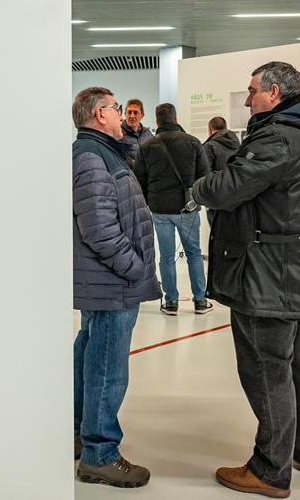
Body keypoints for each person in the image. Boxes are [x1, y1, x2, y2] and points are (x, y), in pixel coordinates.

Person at [193, 62, 300, 498]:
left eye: (253, 90)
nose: (248, 98)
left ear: (274, 93)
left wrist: (198, 189)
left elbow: (230, 188)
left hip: (272, 274)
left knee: (265, 365)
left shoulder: (278, 137)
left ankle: (269, 469)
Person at [71, 87, 160, 488]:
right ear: (98, 115)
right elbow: (100, 229)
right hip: (112, 281)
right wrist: (134, 268)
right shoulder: (92, 157)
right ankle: (99, 454)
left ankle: (80, 433)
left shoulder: (102, 152)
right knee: (107, 368)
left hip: (108, 281)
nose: (121, 114)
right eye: (115, 108)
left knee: (91, 356)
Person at [135, 103, 212, 315]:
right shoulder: (193, 143)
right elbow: (204, 176)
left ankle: (171, 302)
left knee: (166, 257)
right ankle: (200, 301)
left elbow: (139, 180)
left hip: (159, 209)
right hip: (187, 208)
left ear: (157, 121)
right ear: (175, 119)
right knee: (194, 254)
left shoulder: (147, 147)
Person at [203, 116, 241, 226]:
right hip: (236, 196)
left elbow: (206, 175)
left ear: (209, 130)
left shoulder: (209, 146)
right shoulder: (238, 145)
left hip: (216, 198)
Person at [120, 98, 153, 166]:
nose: (132, 116)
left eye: (135, 112)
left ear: (142, 115)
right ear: (125, 114)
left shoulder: (147, 134)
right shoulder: (118, 134)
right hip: (130, 174)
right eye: (129, 112)